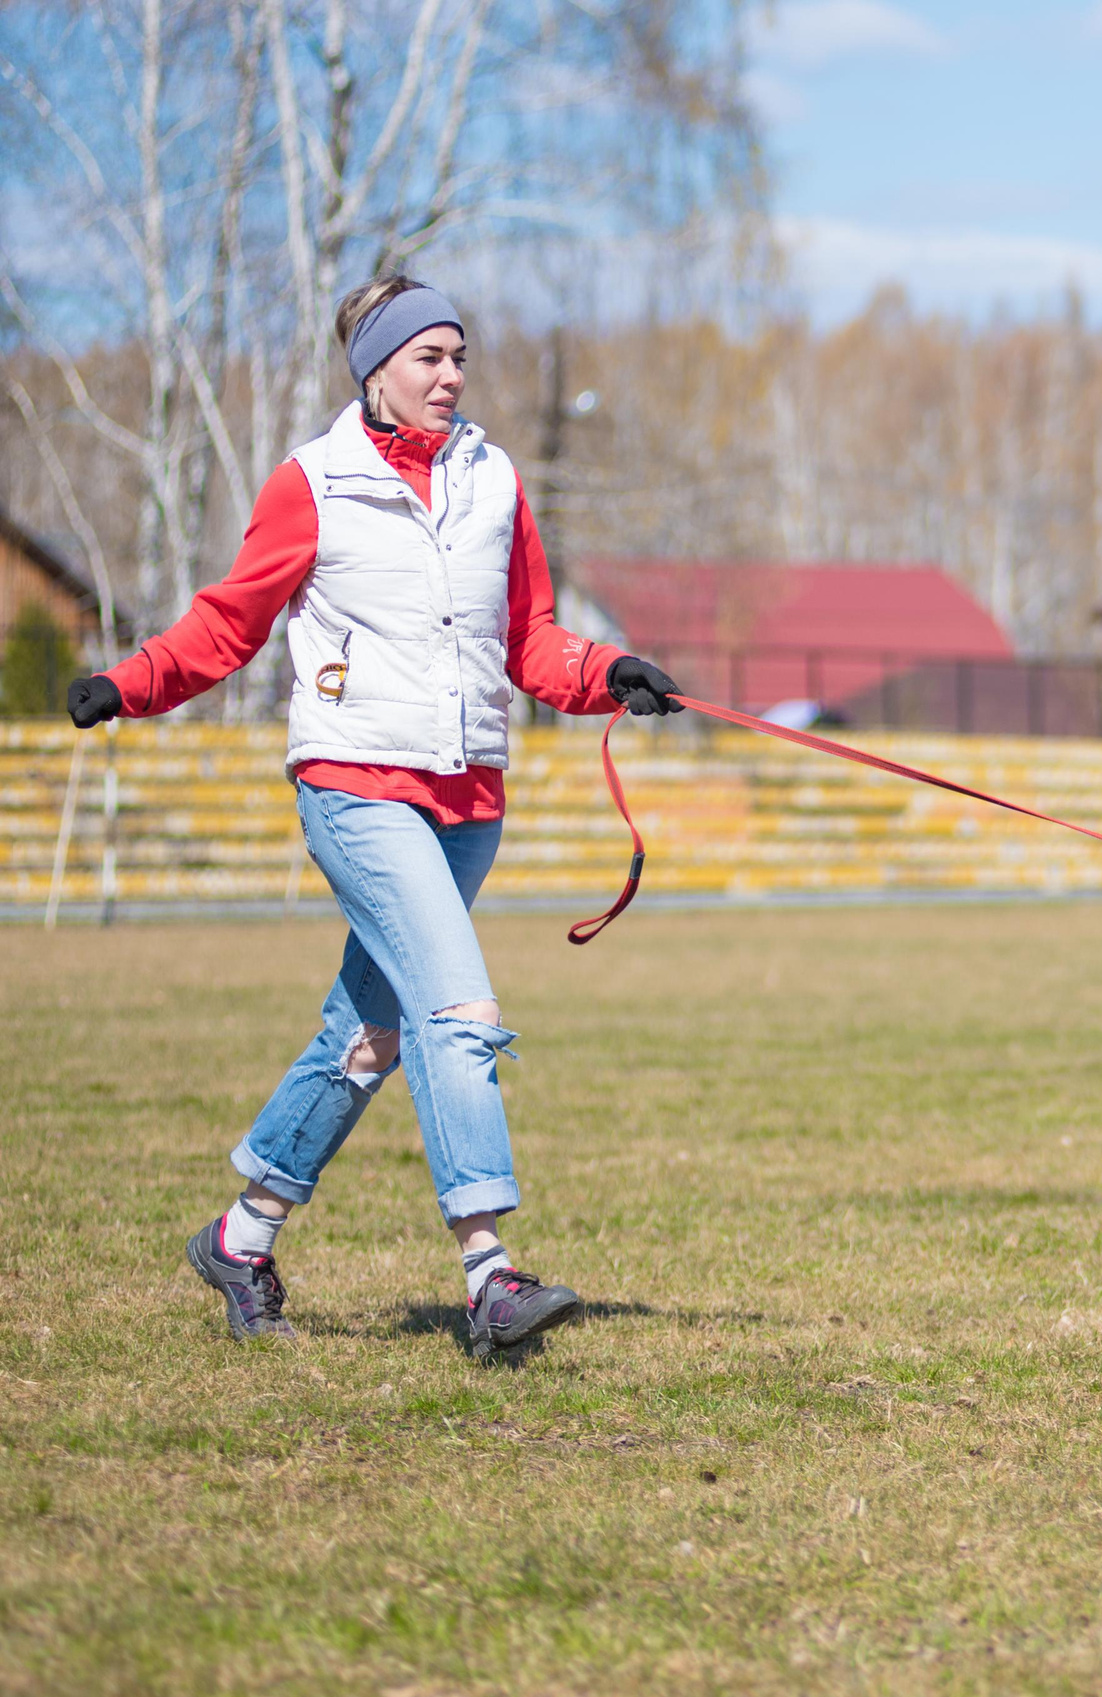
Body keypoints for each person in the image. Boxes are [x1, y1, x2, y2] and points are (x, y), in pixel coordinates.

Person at [65, 275, 684, 1358]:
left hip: (467, 797)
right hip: (354, 784)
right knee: (457, 1008)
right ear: (377, 371)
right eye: (427, 358)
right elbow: (229, 620)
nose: (449, 376)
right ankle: (491, 1273)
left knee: (369, 1034)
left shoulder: (494, 480)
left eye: (458, 357)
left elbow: (531, 639)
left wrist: (611, 670)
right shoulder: (316, 481)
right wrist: (130, 682)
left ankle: (241, 1235)